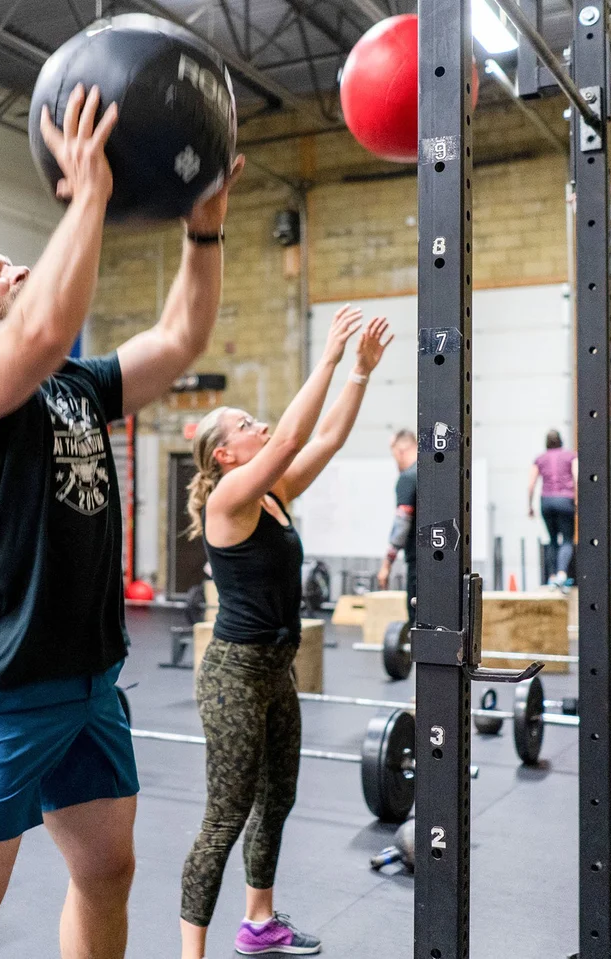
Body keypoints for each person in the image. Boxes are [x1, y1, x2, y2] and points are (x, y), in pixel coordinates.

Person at [0, 83, 243, 959]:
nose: (15, 269)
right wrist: (89, 194)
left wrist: (203, 231)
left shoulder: (75, 382)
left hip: (88, 682)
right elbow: (46, 327)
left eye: (15, 261)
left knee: (106, 870)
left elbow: (180, 337)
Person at [180, 305, 392, 959]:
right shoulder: (228, 499)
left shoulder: (272, 495)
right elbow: (292, 438)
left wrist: (359, 373)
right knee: (225, 817)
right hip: (235, 676)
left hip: (277, 671)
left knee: (277, 799)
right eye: (247, 425)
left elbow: (323, 440)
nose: (262, 427)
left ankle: (259, 921)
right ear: (224, 453)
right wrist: (327, 357)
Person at [527, 429, 578, 587]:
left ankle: (552, 576)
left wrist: (530, 505)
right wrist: (577, 499)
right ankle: (562, 573)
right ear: (561, 441)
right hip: (565, 500)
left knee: (552, 539)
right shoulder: (570, 456)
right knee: (567, 539)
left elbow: (531, 484)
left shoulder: (540, 459)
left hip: (547, 501)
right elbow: (576, 476)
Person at [376, 429, 418, 618]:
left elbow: (402, 523)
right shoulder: (432, 475)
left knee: (417, 620)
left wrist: (386, 565)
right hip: (442, 563)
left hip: (418, 564)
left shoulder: (408, 478)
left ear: (400, 450)